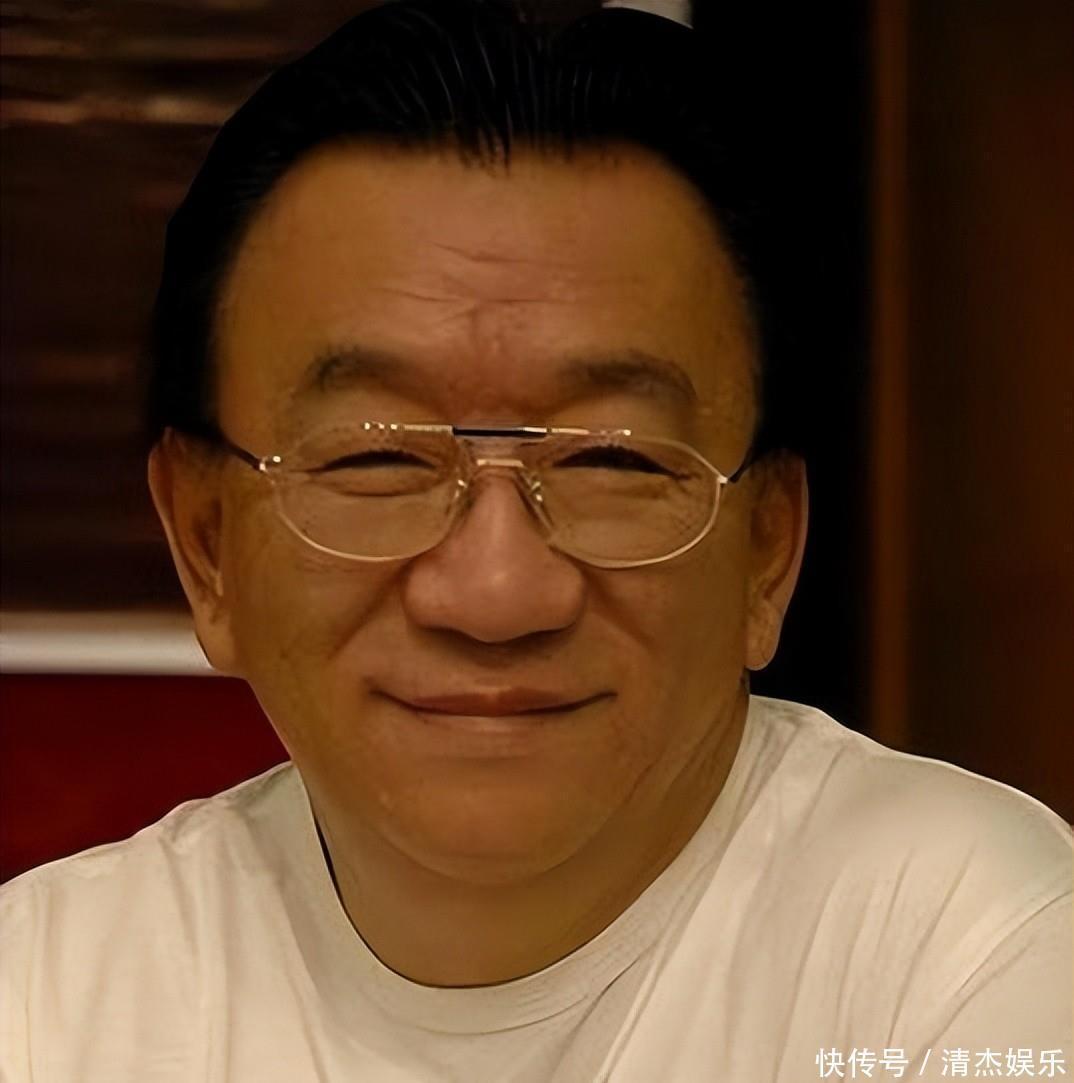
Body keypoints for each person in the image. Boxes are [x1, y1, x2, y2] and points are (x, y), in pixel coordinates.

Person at [1, 2, 1070, 1080]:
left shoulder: (974, 951)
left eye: (613, 459)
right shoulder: (43, 999)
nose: (495, 592)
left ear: (766, 551)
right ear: (206, 545)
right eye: (377, 458)